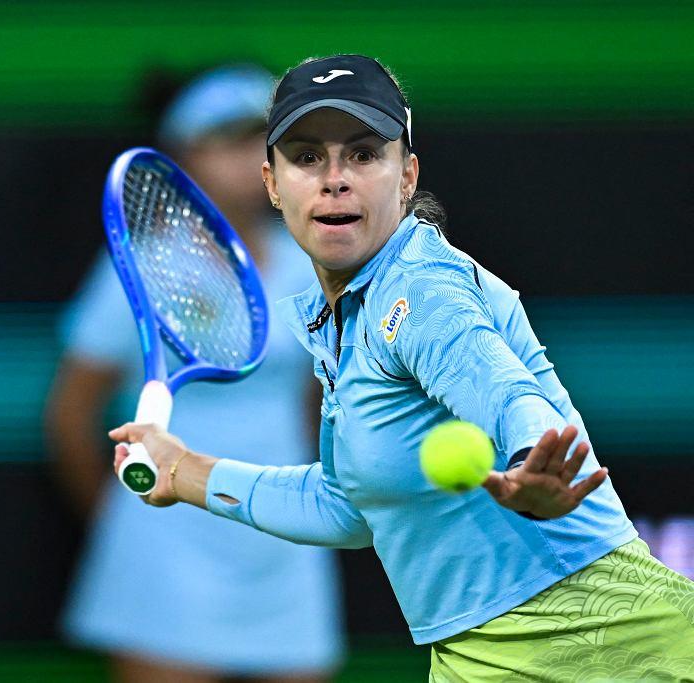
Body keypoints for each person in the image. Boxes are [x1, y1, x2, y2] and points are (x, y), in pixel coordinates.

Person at [110, 55, 694, 681]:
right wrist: (184, 469)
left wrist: (532, 458)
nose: (335, 179)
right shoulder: (342, 320)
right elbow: (348, 505)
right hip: (482, 655)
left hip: (596, 645)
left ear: (407, 176)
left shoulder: (420, 292)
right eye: (307, 157)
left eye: (363, 155)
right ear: (273, 183)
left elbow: (503, 388)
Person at [45, 64, 345, 683]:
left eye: (268, 142)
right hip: (167, 546)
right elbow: (71, 415)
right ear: (184, 155)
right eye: (229, 140)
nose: (254, 160)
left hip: (283, 539)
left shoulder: (314, 264)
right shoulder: (140, 265)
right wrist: (128, 527)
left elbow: (320, 406)